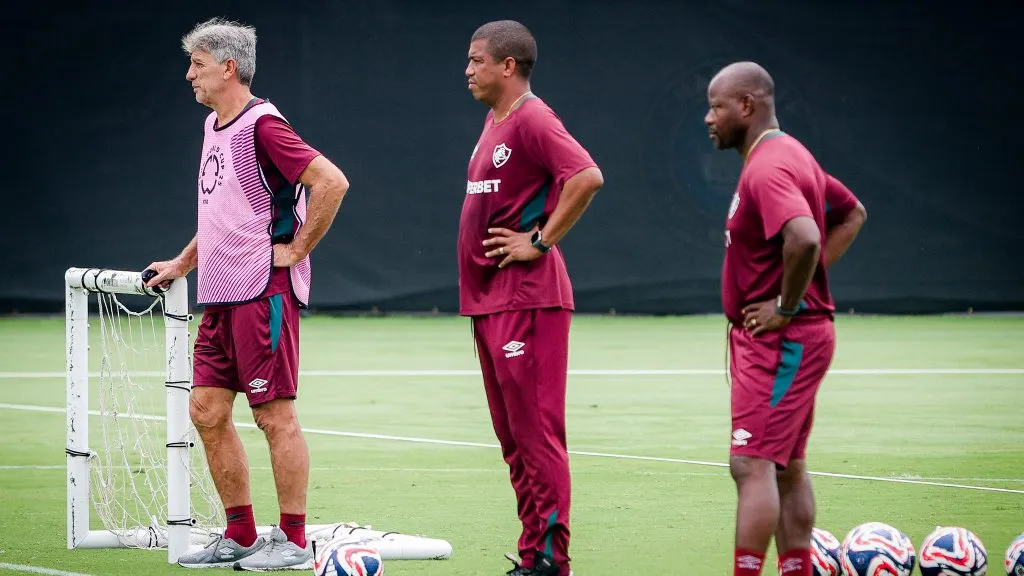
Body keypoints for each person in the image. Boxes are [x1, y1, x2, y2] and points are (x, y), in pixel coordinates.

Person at [144, 17, 349, 570]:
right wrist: (183, 262)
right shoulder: (216, 127)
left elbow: (330, 181)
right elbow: (223, 213)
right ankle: (239, 534)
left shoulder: (263, 125)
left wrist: (296, 249)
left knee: (273, 416)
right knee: (207, 411)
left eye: (198, 64)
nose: (189, 75)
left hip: (263, 292)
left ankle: (292, 539)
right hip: (220, 293)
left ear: (228, 68)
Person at [704, 61, 867, 576]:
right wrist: (791, 290)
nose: (709, 118)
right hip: (792, 340)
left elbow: (807, 236)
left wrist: (786, 304)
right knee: (787, 466)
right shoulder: (790, 154)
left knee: (751, 464)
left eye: (717, 106)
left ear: (746, 106)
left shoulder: (768, 167)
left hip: (782, 343)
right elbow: (851, 212)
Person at [461, 19, 604, 576]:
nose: (468, 69)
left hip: (528, 300)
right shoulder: (493, 121)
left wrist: (539, 241)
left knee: (537, 436)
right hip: (491, 302)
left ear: (507, 66)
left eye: (476, 60)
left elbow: (586, 176)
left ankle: (551, 559)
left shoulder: (533, 118)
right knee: (514, 440)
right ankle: (533, 556)